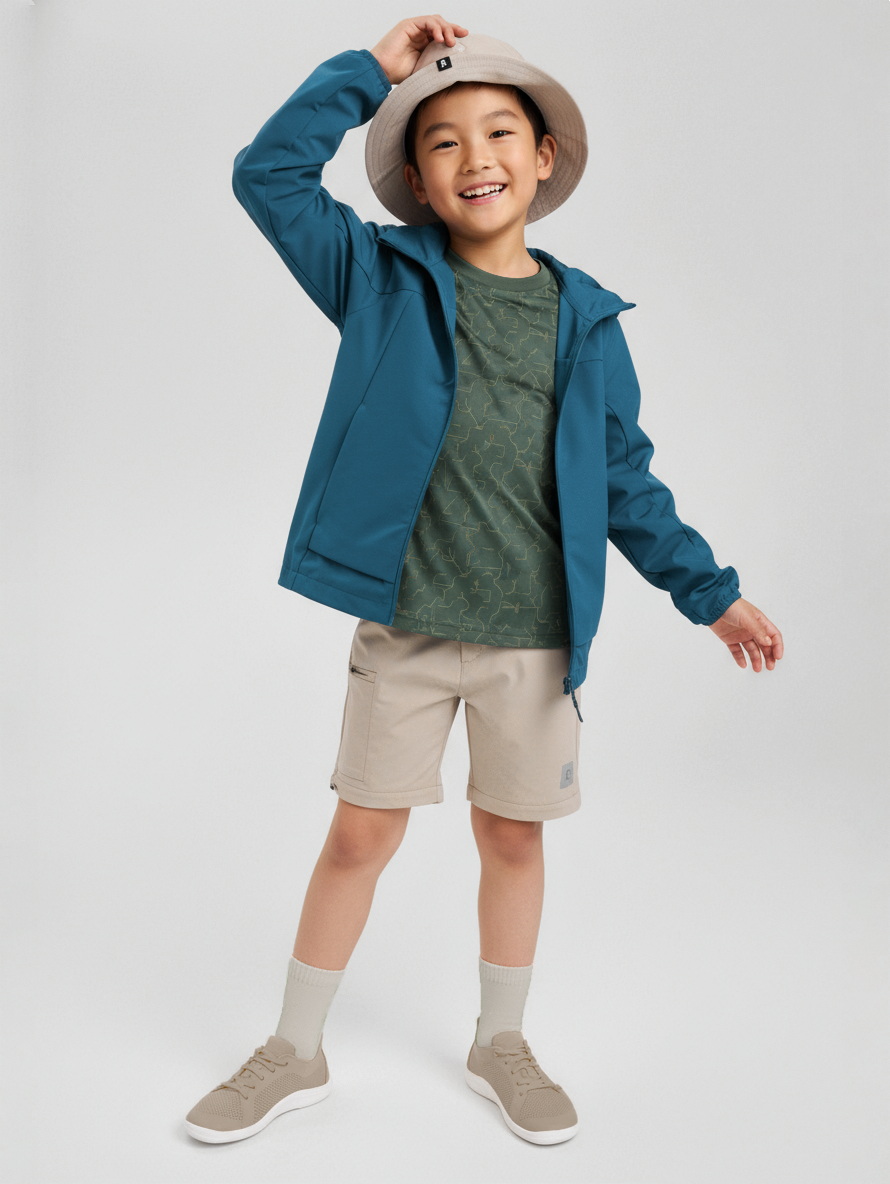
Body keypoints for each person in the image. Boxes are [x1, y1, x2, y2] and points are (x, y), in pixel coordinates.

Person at [184, 15, 784, 1148]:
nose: (476, 157)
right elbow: (266, 176)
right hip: (404, 631)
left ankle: (499, 1040)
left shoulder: (586, 320)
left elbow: (623, 482)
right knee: (359, 835)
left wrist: (710, 592)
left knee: (513, 838)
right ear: (416, 181)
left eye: (500, 132)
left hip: (533, 641)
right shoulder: (378, 278)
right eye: (444, 141)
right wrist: (369, 74)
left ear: (543, 158)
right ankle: (294, 1047)